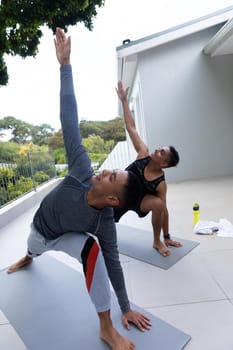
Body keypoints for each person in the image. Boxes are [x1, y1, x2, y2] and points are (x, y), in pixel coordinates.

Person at [7, 28, 151, 350]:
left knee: (95, 252)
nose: (106, 170)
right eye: (113, 170)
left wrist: (125, 308)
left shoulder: (103, 222)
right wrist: (65, 65)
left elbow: (113, 263)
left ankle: (106, 328)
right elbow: (70, 119)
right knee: (32, 249)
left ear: (112, 199)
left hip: (69, 238)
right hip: (40, 231)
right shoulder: (82, 169)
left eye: (112, 175)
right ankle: (29, 257)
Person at [114, 81, 182, 257]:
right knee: (99, 221)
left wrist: (167, 237)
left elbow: (163, 211)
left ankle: (157, 241)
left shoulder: (160, 183)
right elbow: (131, 128)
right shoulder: (143, 153)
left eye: (162, 152)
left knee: (159, 203)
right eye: (160, 148)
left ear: (164, 163)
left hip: (138, 202)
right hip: (119, 195)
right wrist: (124, 101)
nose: (158, 149)